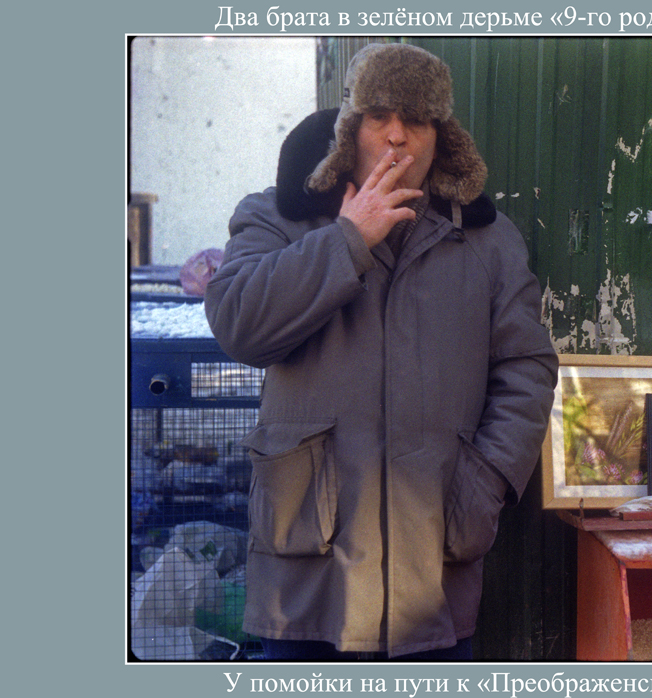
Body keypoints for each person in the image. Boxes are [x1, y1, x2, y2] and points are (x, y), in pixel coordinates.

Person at [204, 43, 557, 660]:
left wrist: (486, 481)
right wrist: (348, 239)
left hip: (433, 567)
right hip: (307, 571)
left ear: (440, 137)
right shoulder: (277, 215)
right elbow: (239, 326)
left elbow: (527, 367)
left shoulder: (487, 239)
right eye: (379, 117)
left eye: (417, 120)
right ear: (349, 129)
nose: (397, 135)